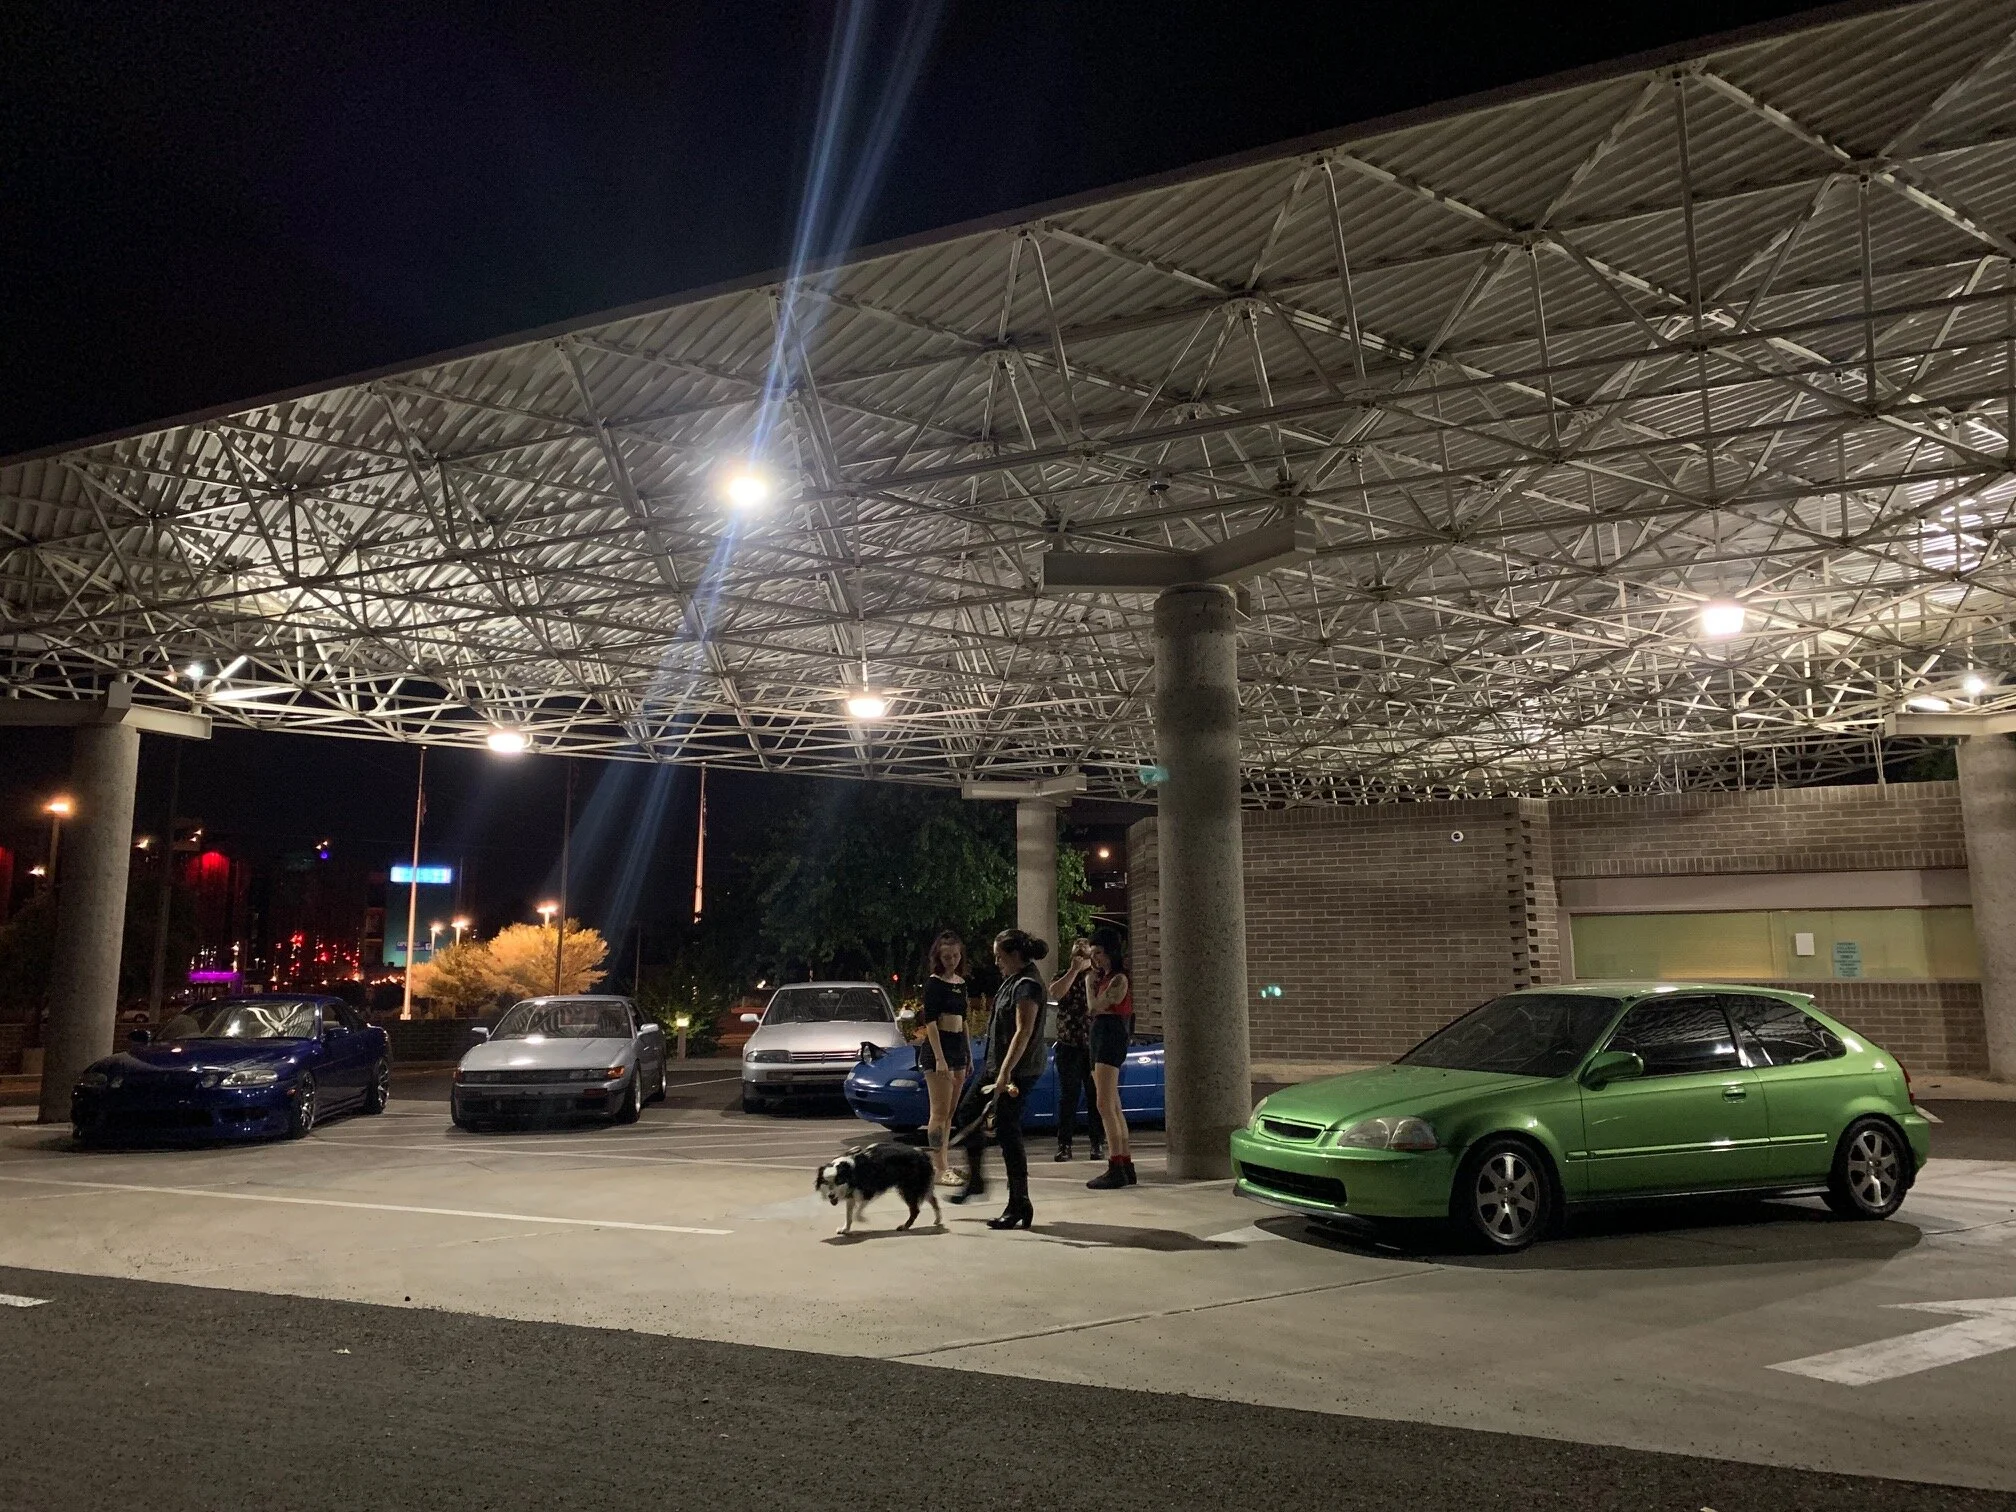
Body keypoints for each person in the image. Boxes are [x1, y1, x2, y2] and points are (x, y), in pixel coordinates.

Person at [949, 927, 1049, 1229]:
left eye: (999, 956)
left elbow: (1023, 1032)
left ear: (1015, 955)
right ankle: (977, 1180)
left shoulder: (1028, 985)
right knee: (967, 1113)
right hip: (996, 1067)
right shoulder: (1013, 980)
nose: (996, 962)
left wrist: (1006, 1073)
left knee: (1008, 1131)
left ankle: (1019, 1202)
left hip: (1018, 1070)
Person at [915, 930, 972, 1188]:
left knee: (949, 1114)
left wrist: (967, 1054)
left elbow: (965, 1020)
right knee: (938, 1113)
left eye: (956, 956)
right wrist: (940, 1059)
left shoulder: (961, 983)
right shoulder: (934, 984)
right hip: (940, 1051)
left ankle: (945, 1164)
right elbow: (930, 1023)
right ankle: (939, 1169)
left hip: (958, 1049)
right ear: (938, 957)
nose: (952, 960)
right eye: (947, 956)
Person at [1084, 926, 1136, 1189]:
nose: (1095, 958)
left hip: (1110, 1034)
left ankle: (1116, 1166)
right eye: (1092, 953)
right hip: (1101, 1035)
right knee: (1113, 1104)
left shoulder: (1118, 979)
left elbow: (1095, 1006)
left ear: (1111, 952)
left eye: (1099, 953)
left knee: (1104, 1104)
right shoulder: (1106, 978)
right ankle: (1124, 1163)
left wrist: (1087, 984)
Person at [1047, 938, 1103, 1163]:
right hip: (1068, 1044)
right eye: (1076, 951)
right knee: (1068, 1097)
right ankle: (1064, 1145)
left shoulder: (1098, 976)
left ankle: (1097, 1143)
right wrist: (1073, 971)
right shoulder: (1063, 975)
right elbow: (1055, 993)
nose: (1080, 954)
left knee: (1095, 1096)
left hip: (1093, 1045)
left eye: (1084, 951)